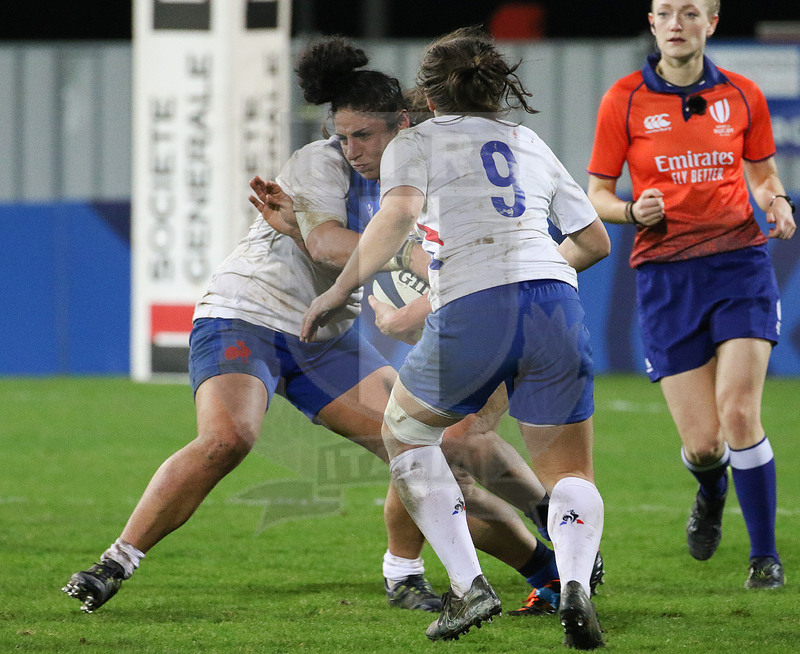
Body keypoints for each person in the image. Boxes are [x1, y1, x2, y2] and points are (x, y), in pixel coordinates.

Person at [62, 36, 565, 618]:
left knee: (426, 449)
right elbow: (328, 244)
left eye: (364, 136)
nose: (351, 149)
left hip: (324, 338)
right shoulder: (317, 162)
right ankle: (115, 562)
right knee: (229, 438)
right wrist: (413, 261)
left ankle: (549, 571)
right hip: (246, 313)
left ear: (403, 123)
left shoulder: (425, 166)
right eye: (343, 134)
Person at [302, 27, 610, 648]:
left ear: (430, 97)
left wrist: (337, 292)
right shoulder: (530, 141)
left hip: (474, 305)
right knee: (570, 470)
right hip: (555, 303)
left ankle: (470, 586)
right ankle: (573, 583)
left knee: (405, 433)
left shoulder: (415, 142)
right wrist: (537, 267)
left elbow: (397, 214)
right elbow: (595, 242)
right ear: (497, 89)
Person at [587, 0, 794, 589]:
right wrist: (629, 209)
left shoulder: (744, 94)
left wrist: (777, 200)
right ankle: (710, 488)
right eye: (665, 12)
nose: (677, 22)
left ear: (711, 23)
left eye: (691, 12)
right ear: (652, 23)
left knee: (738, 412)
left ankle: (764, 556)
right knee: (704, 445)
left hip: (740, 264)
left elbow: (761, 174)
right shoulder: (622, 99)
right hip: (665, 275)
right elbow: (596, 193)